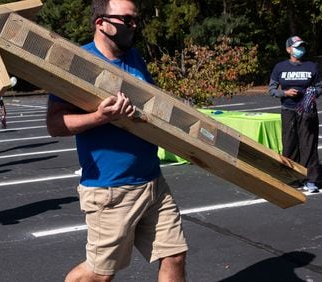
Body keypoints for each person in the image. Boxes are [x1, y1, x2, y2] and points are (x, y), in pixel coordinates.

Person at [46, 1, 188, 281]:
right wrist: (99, 117)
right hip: (111, 190)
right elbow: (54, 124)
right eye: (127, 20)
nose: (134, 26)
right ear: (101, 23)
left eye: (136, 19)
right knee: (99, 274)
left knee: (174, 255)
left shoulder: (134, 58)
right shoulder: (77, 62)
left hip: (152, 181)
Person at [268, 36, 322, 193]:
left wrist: (311, 94)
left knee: (309, 145)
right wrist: (285, 92)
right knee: (290, 145)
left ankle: (310, 180)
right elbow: (271, 89)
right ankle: (292, 179)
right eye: (297, 47)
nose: (301, 49)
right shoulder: (280, 67)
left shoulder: (312, 66)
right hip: (288, 110)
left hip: (308, 112)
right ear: (288, 49)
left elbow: (320, 87)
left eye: (302, 47)